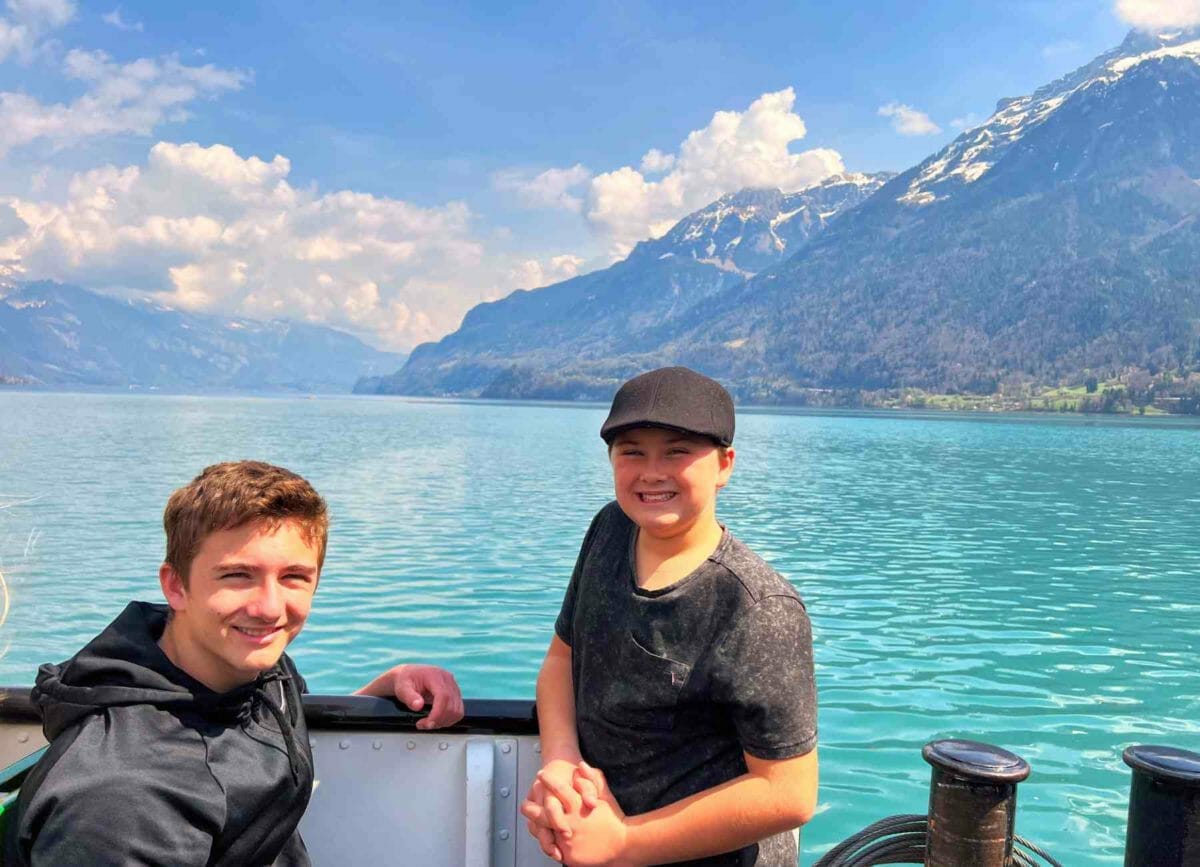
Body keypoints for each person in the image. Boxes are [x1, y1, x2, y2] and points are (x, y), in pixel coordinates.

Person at [4, 460, 464, 866]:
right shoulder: (123, 798)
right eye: (238, 575)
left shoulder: (253, 669)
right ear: (176, 586)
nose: (269, 608)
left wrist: (385, 686)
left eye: (294, 577)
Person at [521, 367, 818, 866]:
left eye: (677, 452)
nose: (652, 472)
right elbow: (560, 660)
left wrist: (624, 842)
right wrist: (561, 763)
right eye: (632, 452)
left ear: (724, 464)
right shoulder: (610, 529)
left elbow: (788, 792)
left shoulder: (757, 607)